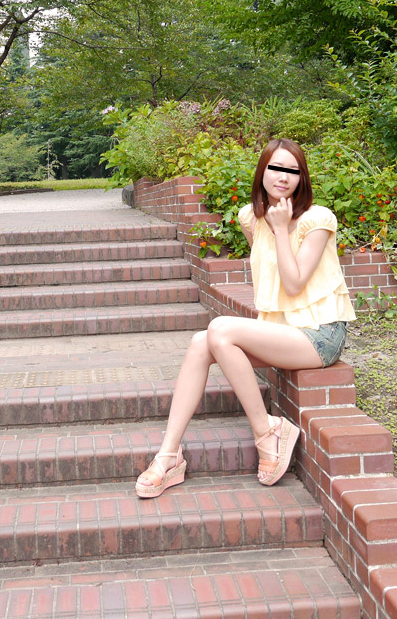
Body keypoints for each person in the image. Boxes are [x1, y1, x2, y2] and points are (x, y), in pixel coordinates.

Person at [135, 138, 357, 498]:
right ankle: (169, 455)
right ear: (262, 172)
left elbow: (293, 282)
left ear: (302, 177)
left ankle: (267, 432)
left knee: (219, 329)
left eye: (292, 170)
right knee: (201, 343)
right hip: (282, 331)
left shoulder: (318, 219)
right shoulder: (250, 219)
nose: (283, 177)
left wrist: (282, 228)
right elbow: (271, 275)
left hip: (319, 335)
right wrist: (273, 226)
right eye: (275, 168)